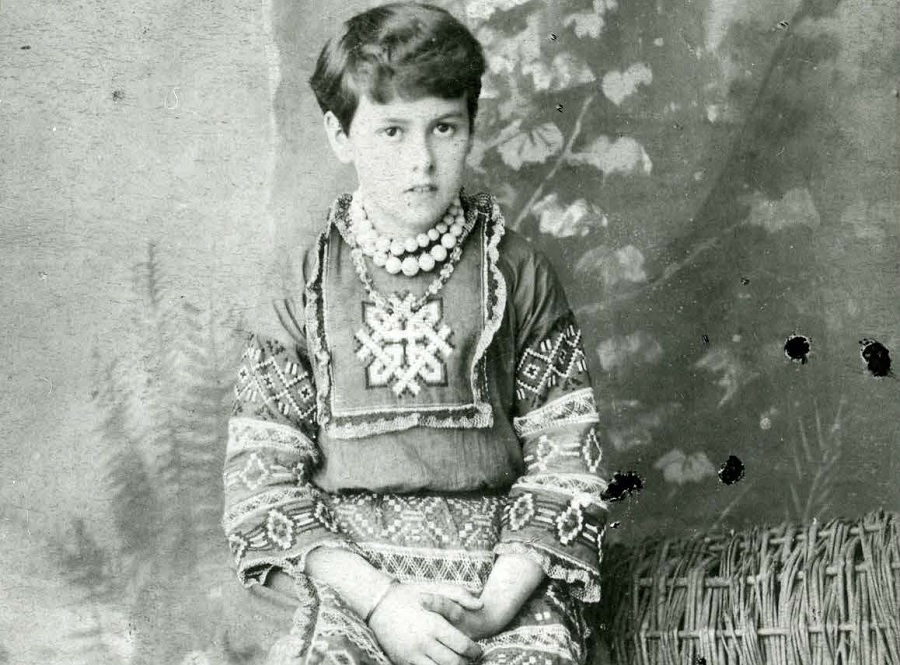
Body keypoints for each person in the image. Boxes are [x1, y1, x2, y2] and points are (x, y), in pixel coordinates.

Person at [222, 3, 611, 664]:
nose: (422, 161)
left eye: (444, 128)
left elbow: (566, 461)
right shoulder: (301, 285)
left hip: (498, 583)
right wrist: (383, 604)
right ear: (339, 134)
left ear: (470, 127)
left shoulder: (519, 275)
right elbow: (263, 485)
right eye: (392, 131)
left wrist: (492, 605)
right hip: (351, 588)